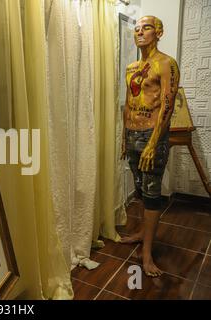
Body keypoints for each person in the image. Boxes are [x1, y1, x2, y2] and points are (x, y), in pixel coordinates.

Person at [120, 15, 180, 277]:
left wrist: (153, 144)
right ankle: (142, 233)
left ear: (158, 32)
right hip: (132, 135)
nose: (140, 32)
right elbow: (128, 102)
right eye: (137, 29)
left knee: (153, 195)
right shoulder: (132, 67)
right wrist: (124, 136)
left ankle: (147, 256)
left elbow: (167, 106)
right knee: (141, 190)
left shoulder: (166, 63)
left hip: (151, 136)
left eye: (146, 28)